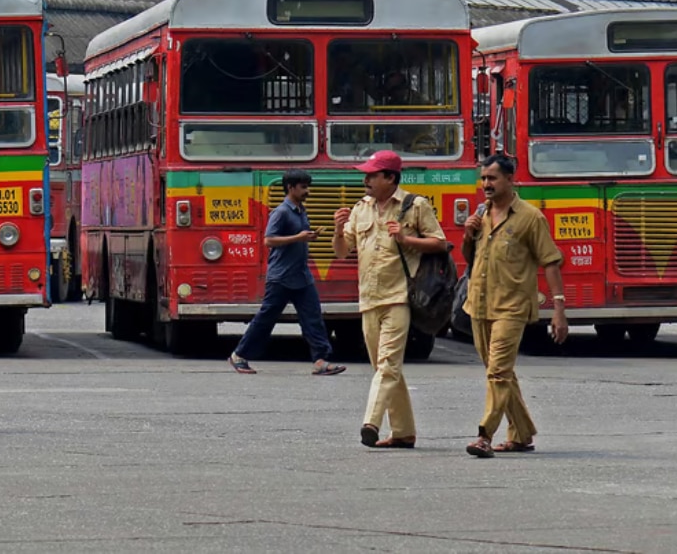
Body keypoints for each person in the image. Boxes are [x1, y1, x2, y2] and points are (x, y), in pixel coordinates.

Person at [333, 150, 447, 449]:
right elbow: (343, 251)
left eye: (372, 174)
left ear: (390, 178)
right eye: (366, 174)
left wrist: (406, 239)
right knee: (385, 368)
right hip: (368, 298)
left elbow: (439, 242)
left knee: (387, 365)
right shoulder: (361, 208)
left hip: (399, 296)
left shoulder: (415, 205)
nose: (366, 179)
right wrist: (337, 228)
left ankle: (370, 422)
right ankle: (404, 432)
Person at [463, 153, 568, 458]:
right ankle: (521, 434)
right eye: (483, 179)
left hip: (512, 307)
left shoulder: (529, 217)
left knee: (498, 372)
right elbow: (471, 260)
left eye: (492, 178)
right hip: (479, 305)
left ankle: (484, 434)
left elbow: (550, 262)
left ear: (510, 179)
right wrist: (468, 234)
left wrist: (559, 310)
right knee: (499, 373)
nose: (486, 184)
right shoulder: (481, 214)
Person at [228, 170, 346, 377]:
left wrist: (308, 237)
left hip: (301, 275)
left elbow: (297, 238)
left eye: (307, 186)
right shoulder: (281, 212)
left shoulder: (301, 210)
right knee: (266, 319)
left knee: (313, 317)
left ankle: (320, 360)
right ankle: (239, 355)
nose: (307, 191)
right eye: (303, 187)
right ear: (291, 188)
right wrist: (298, 237)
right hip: (281, 276)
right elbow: (269, 240)